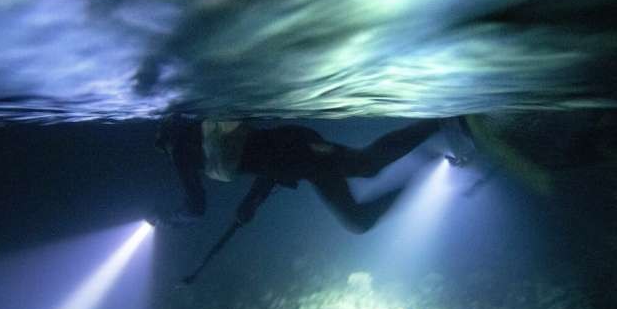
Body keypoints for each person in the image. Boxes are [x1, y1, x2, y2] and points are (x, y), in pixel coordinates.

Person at [154, 116, 440, 232]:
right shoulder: (199, 134)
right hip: (299, 157)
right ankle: (427, 159)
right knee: (358, 215)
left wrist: (165, 220)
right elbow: (262, 160)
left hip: (300, 149)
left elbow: (195, 208)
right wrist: (251, 203)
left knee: (366, 167)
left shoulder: (180, 149)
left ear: (166, 143)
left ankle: (438, 125)